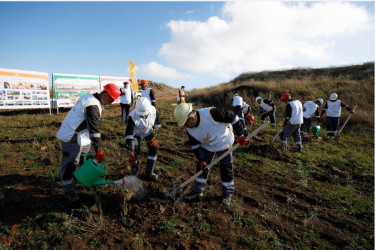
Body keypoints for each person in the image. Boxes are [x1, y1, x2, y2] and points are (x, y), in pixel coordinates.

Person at [173, 103, 248, 205]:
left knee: (226, 167)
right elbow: (195, 146)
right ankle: (197, 191)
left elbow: (233, 118)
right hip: (208, 144)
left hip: (224, 140)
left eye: (185, 124)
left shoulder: (212, 113)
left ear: (191, 118)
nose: (185, 127)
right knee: (201, 167)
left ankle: (227, 194)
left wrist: (240, 134)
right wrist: (202, 160)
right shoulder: (189, 129)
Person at [56, 83, 120, 202]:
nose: (111, 103)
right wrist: (99, 148)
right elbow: (94, 129)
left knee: (85, 160)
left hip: (82, 135)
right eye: (111, 99)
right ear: (105, 95)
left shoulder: (91, 99)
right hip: (72, 135)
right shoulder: (92, 105)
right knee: (70, 164)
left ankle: (88, 179)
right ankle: (69, 191)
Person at [125, 97, 161, 181]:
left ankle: (149, 171)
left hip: (148, 132)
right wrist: (130, 151)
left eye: (145, 114)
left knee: (154, 148)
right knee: (135, 151)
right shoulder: (132, 116)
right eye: (141, 114)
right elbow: (129, 135)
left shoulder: (154, 111)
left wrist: (155, 136)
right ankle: (135, 171)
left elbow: (157, 126)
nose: (143, 116)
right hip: (136, 133)